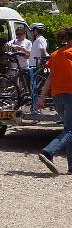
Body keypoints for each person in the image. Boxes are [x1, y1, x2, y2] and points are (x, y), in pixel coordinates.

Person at [36, 27, 72, 175]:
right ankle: (48, 152)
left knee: (69, 129)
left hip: (57, 97)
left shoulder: (56, 54)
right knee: (71, 130)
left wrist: (42, 97)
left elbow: (49, 78)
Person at [28, 23, 49, 114]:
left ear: (36, 31)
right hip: (33, 65)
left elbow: (43, 53)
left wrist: (39, 65)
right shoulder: (38, 40)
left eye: (32, 31)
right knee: (34, 87)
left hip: (35, 66)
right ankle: (35, 108)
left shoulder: (40, 40)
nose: (31, 33)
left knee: (35, 88)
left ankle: (36, 110)